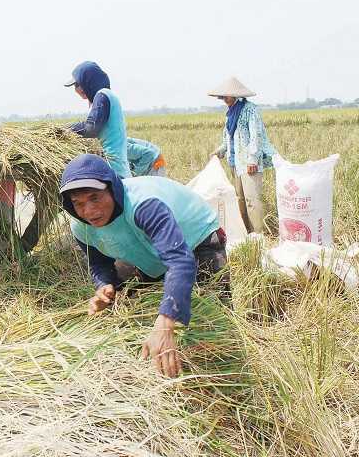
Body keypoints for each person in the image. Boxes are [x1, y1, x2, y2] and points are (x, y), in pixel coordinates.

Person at [60, 154, 229, 378]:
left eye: (95, 198)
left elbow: (179, 260)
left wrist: (166, 323)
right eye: (78, 204)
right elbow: (99, 262)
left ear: (112, 189)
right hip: (148, 248)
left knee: (212, 317)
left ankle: (219, 372)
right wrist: (104, 284)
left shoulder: (143, 205)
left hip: (195, 239)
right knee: (140, 307)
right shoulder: (81, 227)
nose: (89, 211)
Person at [209, 77, 277, 233]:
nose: (224, 99)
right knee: (239, 200)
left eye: (226, 96)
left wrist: (252, 159)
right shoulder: (230, 114)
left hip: (248, 163)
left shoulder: (250, 110)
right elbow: (228, 139)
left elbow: (256, 136)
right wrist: (219, 151)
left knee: (252, 200)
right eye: (223, 97)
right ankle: (246, 233)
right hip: (235, 163)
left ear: (236, 95)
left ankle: (258, 235)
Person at [64, 61, 132, 178]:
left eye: (78, 84)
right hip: (112, 166)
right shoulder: (103, 97)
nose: (77, 90)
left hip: (112, 169)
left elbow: (91, 128)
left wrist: (66, 129)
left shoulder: (102, 95)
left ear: (89, 81)